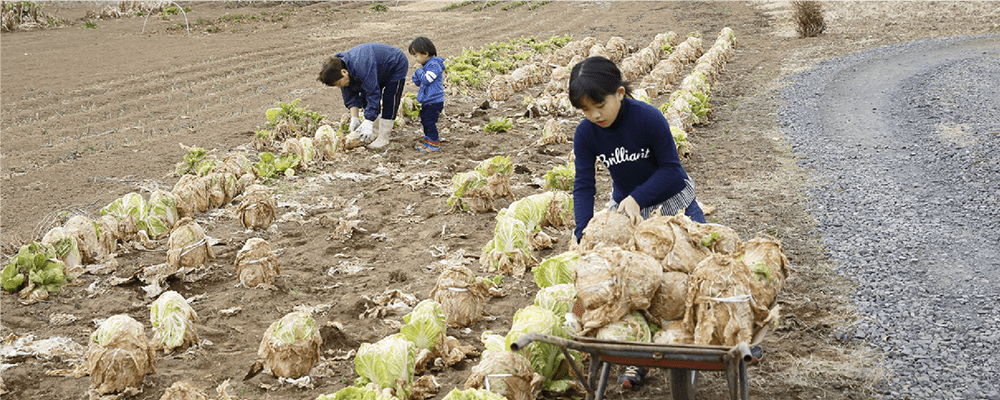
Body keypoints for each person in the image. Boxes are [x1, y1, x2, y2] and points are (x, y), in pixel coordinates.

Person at [569, 56, 706, 388]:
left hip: (675, 204)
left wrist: (637, 197)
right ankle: (637, 361)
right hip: (631, 211)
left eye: (598, 105)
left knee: (694, 277)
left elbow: (672, 169)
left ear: (619, 93)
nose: (594, 115)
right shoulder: (587, 133)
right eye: (585, 110)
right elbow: (584, 184)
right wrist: (582, 231)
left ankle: (699, 341)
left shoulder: (648, 118)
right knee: (637, 286)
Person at [318, 43, 409, 149]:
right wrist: (354, 118)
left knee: (390, 99)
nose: (339, 87)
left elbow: (373, 93)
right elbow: (350, 95)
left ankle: (384, 137)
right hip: (376, 69)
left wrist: (368, 121)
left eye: (339, 83)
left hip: (394, 64)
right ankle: (375, 133)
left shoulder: (361, 66)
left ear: (344, 72)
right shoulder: (341, 69)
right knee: (366, 98)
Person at [408, 37, 446, 153]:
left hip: (434, 101)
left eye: (416, 56)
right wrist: (416, 74)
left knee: (429, 122)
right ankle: (428, 143)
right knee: (425, 121)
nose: (416, 59)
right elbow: (419, 82)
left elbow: (427, 80)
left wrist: (419, 71)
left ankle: (434, 145)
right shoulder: (427, 66)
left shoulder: (434, 65)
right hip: (427, 100)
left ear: (425, 54)